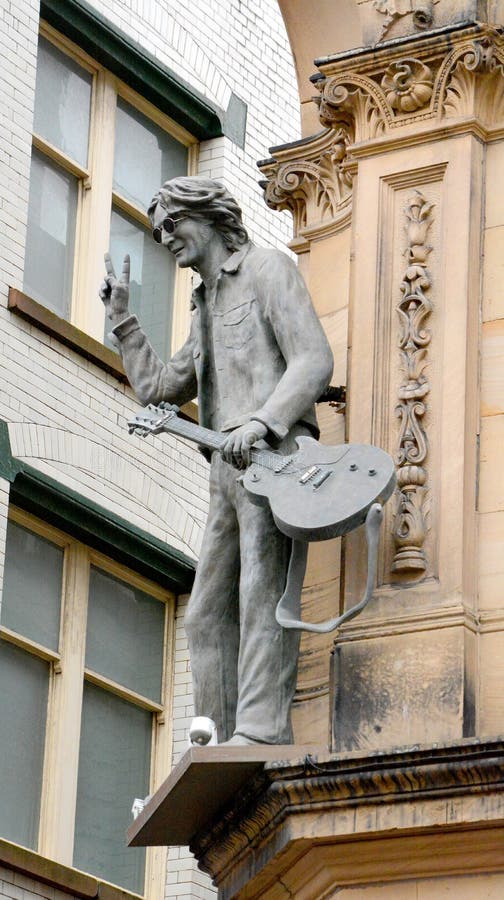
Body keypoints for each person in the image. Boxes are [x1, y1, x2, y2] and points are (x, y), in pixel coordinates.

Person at [101, 176, 333, 745]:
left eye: (172, 225)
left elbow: (313, 360)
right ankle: (216, 734)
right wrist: (123, 321)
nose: (166, 238)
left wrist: (261, 422)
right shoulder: (204, 301)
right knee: (205, 613)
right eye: (159, 231)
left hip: (272, 458)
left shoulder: (268, 271)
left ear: (206, 216)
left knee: (261, 591)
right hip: (224, 473)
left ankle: (259, 728)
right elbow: (159, 388)